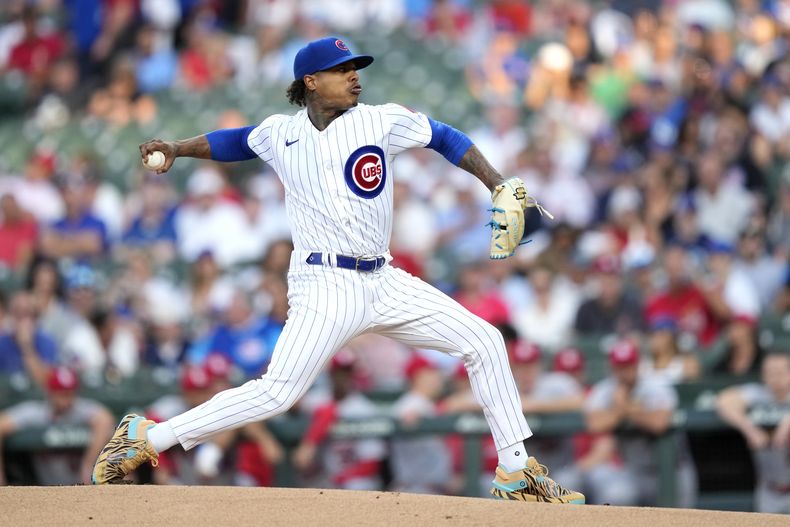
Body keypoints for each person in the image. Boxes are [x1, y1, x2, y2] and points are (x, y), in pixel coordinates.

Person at [91, 36, 584, 504]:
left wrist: (495, 183)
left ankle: (515, 469)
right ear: (310, 81)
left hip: (385, 279)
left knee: (485, 340)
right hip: (324, 284)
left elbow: (445, 137)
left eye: (355, 69)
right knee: (277, 394)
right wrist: (177, 148)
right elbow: (235, 141)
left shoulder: (379, 121)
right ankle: (147, 436)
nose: (354, 77)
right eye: (342, 70)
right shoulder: (280, 133)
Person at [584, 340, 697, 506]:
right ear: (612, 368)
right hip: (635, 473)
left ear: (637, 365)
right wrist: (624, 411)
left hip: (672, 472)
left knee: (683, 520)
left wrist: (624, 408)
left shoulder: (656, 386)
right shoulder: (606, 390)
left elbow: (660, 423)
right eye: (619, 367)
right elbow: (594, 423)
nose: (624, 372)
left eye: (628, 366)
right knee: (616, 496)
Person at [0, 367, 114, 485]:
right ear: (50, 392)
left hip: (83, 487)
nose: (65, 399)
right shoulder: (37, 412)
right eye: (60, 393)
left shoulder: (80, 409)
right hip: (46, 491)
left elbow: (105, 420)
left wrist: (89, 464)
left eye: (69, 393)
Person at [292, 350, 385, 490]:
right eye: (338, 373)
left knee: (357, 485)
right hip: (325, 476)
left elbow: (372, 462)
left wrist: (341, 478)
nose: (342, 378)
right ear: (330, 374)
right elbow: (293, 404)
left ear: (353, 375)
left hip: (355, 478)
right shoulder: (320, 397)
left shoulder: (363, 409)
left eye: (346, 373)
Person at [716, 352, 790, 513]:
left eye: (780, 372)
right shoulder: (760, 393)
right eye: (769, 372)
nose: (774, 378)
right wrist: (750, 429)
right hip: (769, 490)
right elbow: (724, 400)